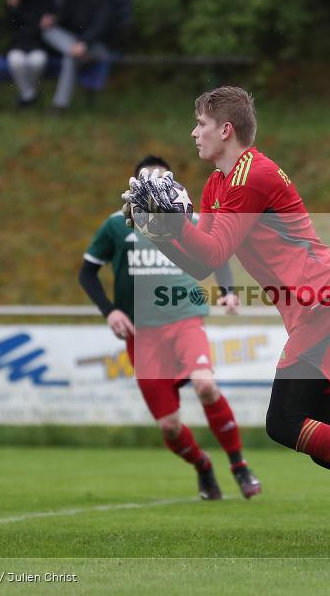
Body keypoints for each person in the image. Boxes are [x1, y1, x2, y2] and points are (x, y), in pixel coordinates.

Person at [122, 87, 330, 546]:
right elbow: (204, 263)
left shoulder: (250, 175)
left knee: (283, 422)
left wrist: (170, 220)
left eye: (200, 123)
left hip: (325, 307)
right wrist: (156, 230)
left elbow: (215, 248)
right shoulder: (220, 183)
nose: (193, 131)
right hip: (325, 310)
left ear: (226, 129)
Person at [80, 154, 261, 501]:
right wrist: (109, 311)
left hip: (184, 320)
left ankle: (239, 465)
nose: (155, 188)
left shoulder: (187, 220)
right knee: (170, 426)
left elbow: (217, 256)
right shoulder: (117, 225)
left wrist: (228, 293)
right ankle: (203, 466)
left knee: (206, 386)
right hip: (142, 333)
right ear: (134, 189)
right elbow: (87, 271)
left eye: (161, 180)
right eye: (147, 181)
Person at [42, 0, 112, 113]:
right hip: (73, 45)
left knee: (70, 58)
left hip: (96, 47)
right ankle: (74, 51)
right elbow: (64, 19)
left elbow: (101, 26)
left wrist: (84, 43)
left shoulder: (104, 0)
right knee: (49, 32)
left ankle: (60, 107)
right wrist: (53, 19)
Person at [6, 0, 55, 108]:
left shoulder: (47, 2)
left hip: (37, 45)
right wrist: (13, 8)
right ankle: (29, 94)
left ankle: (25, 96)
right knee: (15, 61)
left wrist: (47, 24)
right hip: (18, 45)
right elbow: (10, 27)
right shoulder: (16, 2)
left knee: (37, 62)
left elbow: (52, 23)